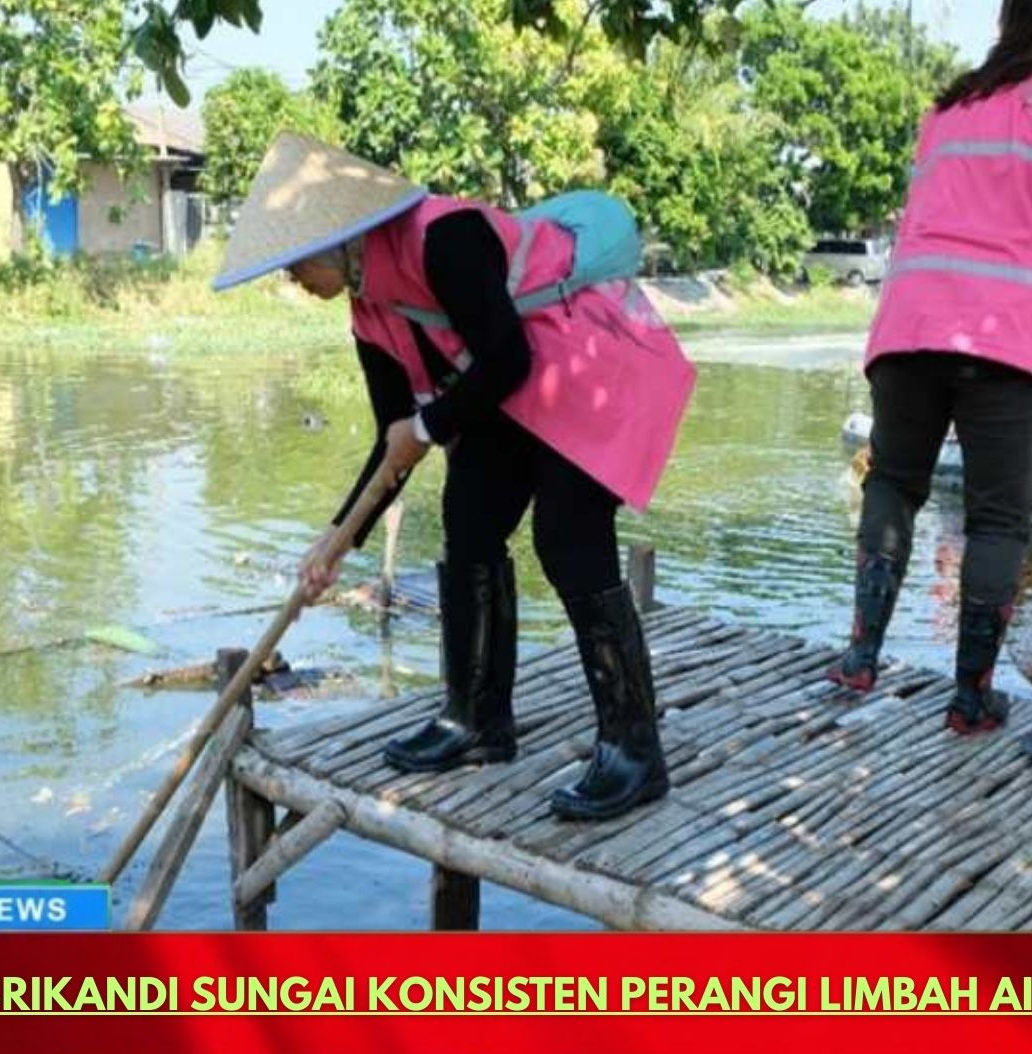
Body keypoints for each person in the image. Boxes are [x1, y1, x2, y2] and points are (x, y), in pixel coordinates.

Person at [213, 133, 696, 821]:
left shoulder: (445, 237)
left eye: (294, 266)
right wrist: (333, 543)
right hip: (514, 393)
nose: (293, 282)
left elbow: (505, 359)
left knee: (567, 536)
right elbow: (394, 445)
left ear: (335, 239)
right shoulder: (368, 309)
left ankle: (633, 752)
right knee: (468, 517)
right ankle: (475, 721)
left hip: (589, 369)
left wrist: (431, 426)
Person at [827, 0, 1032, 733]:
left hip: (914, 321)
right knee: (997, 520)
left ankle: (860, 657)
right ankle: (971, 696)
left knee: (893, 481)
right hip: (1009, 338)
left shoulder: (952, 104)